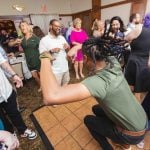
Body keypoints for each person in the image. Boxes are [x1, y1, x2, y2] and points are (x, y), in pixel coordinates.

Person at [40, 37, 147, 150]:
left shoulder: (98, 82)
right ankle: (120, 136)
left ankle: (111, 146)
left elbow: (50, 97)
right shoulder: (112, 61)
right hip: (142, 119)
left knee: (88, 120)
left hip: (132, 135)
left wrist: (45, 58)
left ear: (85, 58)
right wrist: (77, 47)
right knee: (96, 109)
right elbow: (98, 43)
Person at [0, 52, 37, 140]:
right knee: (2, 119)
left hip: (6, 90)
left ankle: (23, 130)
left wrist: (14, 75)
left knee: (14, 112)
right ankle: (9, 134)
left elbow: (2, 62)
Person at [125, 13, 150, 102]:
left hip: (134, 62)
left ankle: (130, 107)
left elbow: (126, 38)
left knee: (131, 88)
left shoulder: (139, 28)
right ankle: (139, 110)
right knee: (143, 90)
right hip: (146, 65)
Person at [9, 21, 41, 91]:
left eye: (23, 25)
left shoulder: (35, 37)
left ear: (28, 26)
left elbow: (42, 48)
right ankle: (40, 86)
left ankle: (46, 87)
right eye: (21, 26)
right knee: (35, 77)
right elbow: (10, 44)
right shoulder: (21, 39)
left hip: (38, 60)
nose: (22, 27)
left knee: (42, 76)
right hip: (29, 61)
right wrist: (15, 43)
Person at [39, 19, 70, 86]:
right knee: (56, 89)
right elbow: (42, 55)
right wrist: (51, 51)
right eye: (56, 26)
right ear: (50, 26)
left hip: (65, 68)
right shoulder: (44, 40)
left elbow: (68, 50)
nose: (59, 28)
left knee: (65, 85)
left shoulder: (62, 38)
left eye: (60, 26)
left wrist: (67, 47)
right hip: (55, 71)